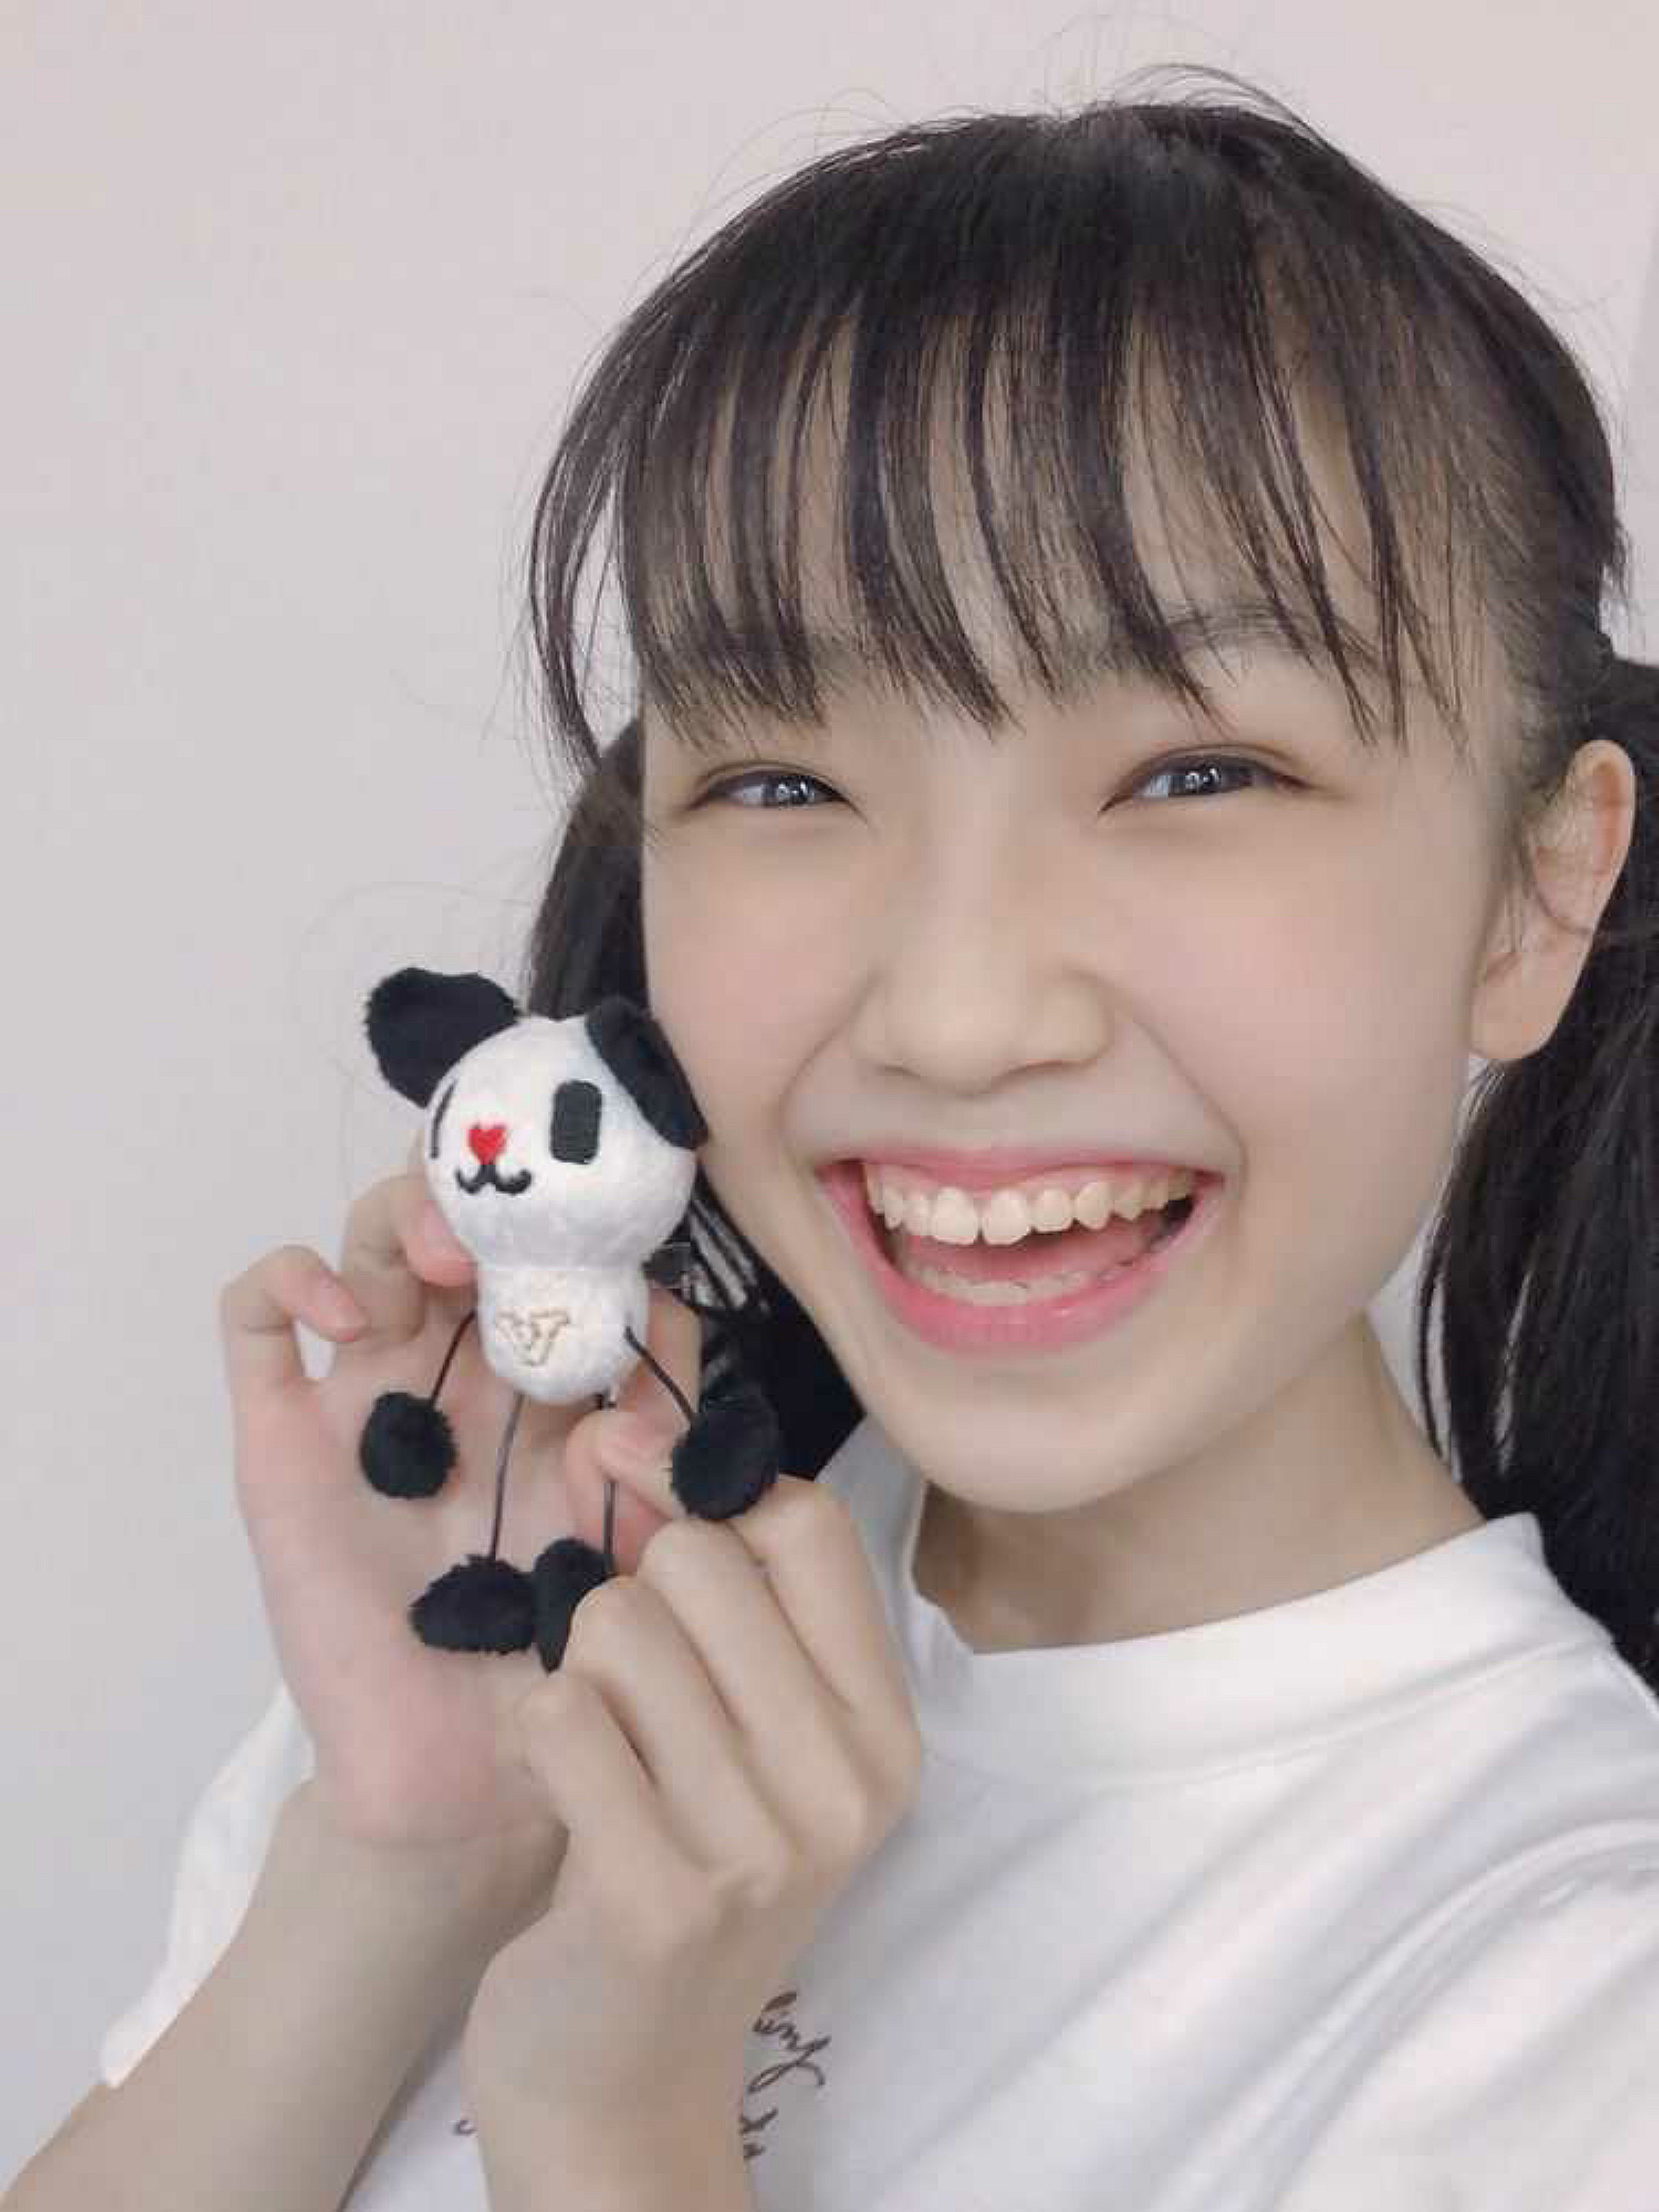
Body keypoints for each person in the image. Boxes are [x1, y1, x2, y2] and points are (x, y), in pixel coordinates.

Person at [13, 63, 1659, 2212]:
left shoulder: (1578, 2001)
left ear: (1540, 892)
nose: (957, 1016)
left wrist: (618, 2126)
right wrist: (401, 1860)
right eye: (784, 783)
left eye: (1196, 775)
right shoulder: (569, 1595)